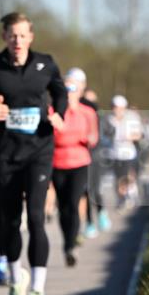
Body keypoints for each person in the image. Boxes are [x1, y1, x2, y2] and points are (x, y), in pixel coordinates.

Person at [0, 11, 67, 295]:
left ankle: (36, 289)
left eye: (23, 35)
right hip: (6, 153)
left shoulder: (45, 64)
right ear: (4, 38)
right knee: (10, 220)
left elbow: (60, 91)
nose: (18, 41)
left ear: (31, 37)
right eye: (12, 36)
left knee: (36, 217)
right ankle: (15, 282)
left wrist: (58, 112)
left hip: (39, 150)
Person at [51, 71, 99, 267]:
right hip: (57, 162)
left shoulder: (88, 113)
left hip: (79, 162)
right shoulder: (54, 110)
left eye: (74, 88)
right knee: (62, 208)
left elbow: (94, 138)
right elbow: (51, 136)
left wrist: (85, 139)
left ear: (80, 91)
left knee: (73, 203)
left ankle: (71, 246)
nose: (70, 92)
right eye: (67, 88)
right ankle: (67, 243)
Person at [82, 86, 111, 236]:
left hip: (96, 158)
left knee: (95, 189)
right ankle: (89, 223)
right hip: (82, 158)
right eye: (87, 100)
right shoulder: (79, 115)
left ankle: (101, 212)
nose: (89, 103)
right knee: (86, 191)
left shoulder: (100, 117)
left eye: (92, 100)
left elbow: (109, 132)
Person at [104, 95, 142, 209]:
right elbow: (104, 135)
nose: (116, 110)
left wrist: (129, 136)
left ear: (124, 108)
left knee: (128, 176)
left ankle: (130, 195)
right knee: (118, 178)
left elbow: (139, 135)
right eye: (114, 107)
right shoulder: (108, 119)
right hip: (114, 153)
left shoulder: (132, 118)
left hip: (129, 153)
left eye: (119, 107)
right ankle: (121, 198)